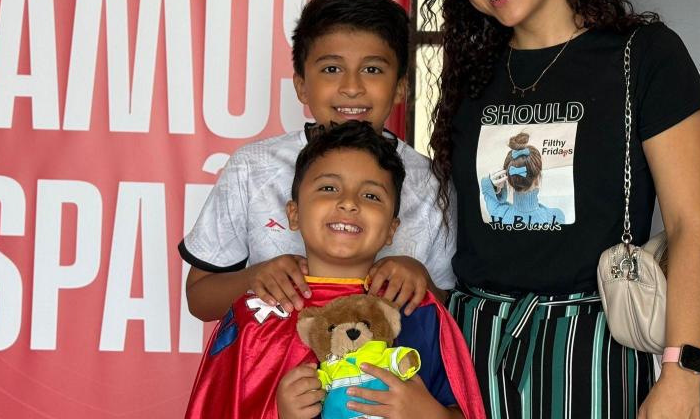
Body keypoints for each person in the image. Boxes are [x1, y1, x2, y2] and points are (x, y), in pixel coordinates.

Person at [418, 0, 700, 418]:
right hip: (473, 345)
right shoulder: (472, 77)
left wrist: (683, 373)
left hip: (592, 347)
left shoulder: (644, 55)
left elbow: (691, 227)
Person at [179, 0, 456, 324]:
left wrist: (421, 279)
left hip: (385, 376)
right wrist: (255, 279)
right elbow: (199, 298)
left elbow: (450, 309)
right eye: (331, 69)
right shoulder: (252, 169)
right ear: (300, 85)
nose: (352, 87)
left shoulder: (430, 182)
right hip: (275, 375)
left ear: (400, 87)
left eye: (372, 69)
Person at [183, 121, 484, 419]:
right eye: (329, 187)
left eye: (371, 195)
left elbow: (464, 410)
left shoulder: (417, 311)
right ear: (294, 213)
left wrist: (427, 414)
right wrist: (279, 412)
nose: (348, 203)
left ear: (392, 229)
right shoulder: (256, 319)